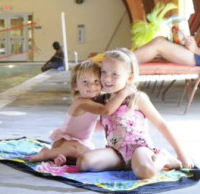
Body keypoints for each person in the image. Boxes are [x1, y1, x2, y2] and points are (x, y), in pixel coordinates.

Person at [76, 49, 193, 179]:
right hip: (116, 152)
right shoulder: (104, 100)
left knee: (145, 171)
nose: (107, 78)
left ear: (129, 78)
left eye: (115, 74)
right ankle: (129, 165)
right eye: (104, 72)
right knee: (83, 163)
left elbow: (161, 124)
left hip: (138, 148)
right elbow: (106, 123)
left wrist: (181, 153)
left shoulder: (137, 98)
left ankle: (163, 158)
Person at [27, 60, 135, 165]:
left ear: (101, 82)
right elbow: (106, 110)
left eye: (96, 81)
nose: (91, 86)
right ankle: (47, 153)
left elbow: (90, 123)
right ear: (76, 86)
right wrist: (124, 93)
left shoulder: (95, 99)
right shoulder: (81, 102)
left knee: (87, 155)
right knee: (77, 152)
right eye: (85, 82)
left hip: (78, 142)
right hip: (64, 140)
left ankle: (61, 158)